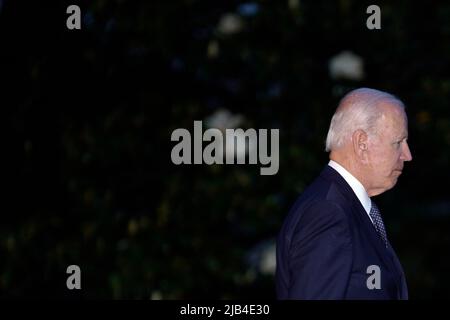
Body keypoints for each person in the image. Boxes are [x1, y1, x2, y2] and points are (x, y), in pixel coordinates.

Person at [276, 88, 412, 299]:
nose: (407, 155)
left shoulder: (343, 207)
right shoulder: (328, 213)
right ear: (361, 143)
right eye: (397, 143)